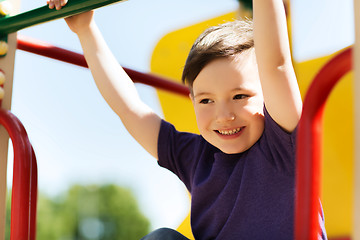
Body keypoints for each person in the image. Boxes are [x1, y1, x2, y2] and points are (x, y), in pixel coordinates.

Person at [48, 0, 328, 239]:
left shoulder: (284, 141)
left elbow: (276, 64)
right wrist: (85, 31)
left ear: (268, 94)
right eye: (207, 100)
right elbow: (129, 108)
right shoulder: (196, 158)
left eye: (240, 96)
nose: (224, 115)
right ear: (192, 101)